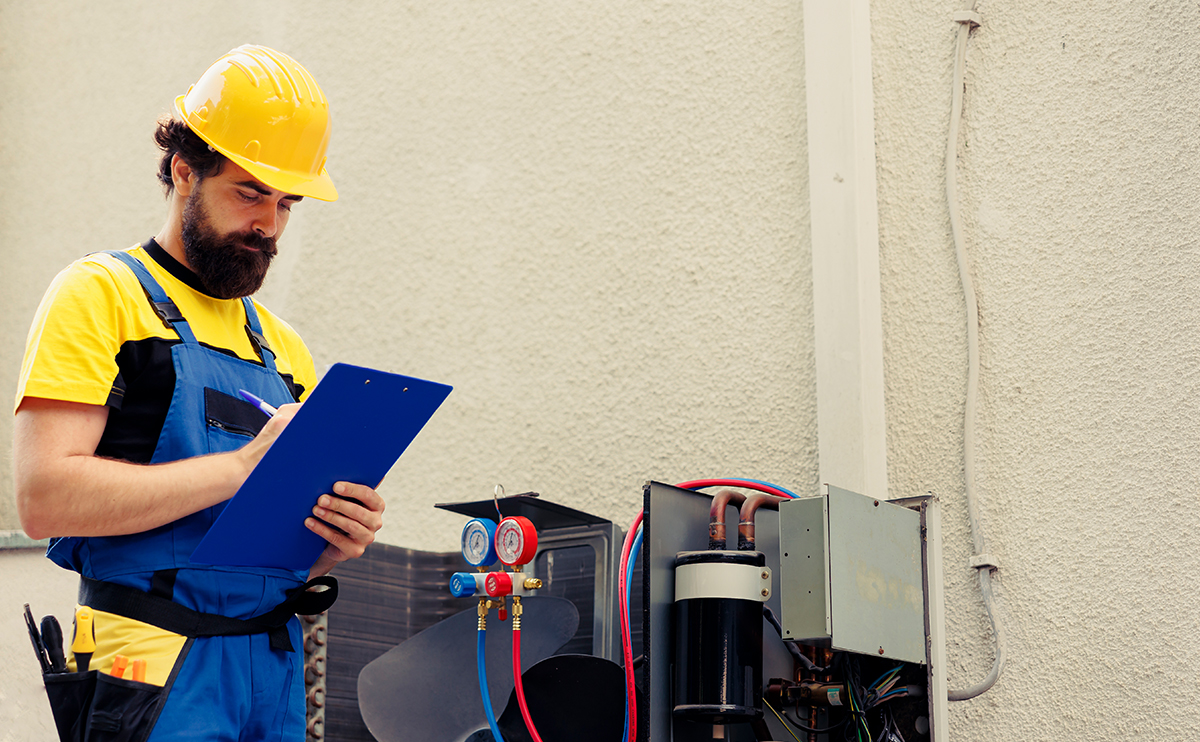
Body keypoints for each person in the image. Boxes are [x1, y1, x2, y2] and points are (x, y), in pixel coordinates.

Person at [13, 45, 382, 740]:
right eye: (248, 193)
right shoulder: (100, 296)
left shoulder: (283, 349)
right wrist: (241, 469)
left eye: (285, 203)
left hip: (271, 666)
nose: (268, 225)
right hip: (151, 668)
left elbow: (274, 537)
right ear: (185, 171)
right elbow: (43, 498)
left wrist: (333, 536)